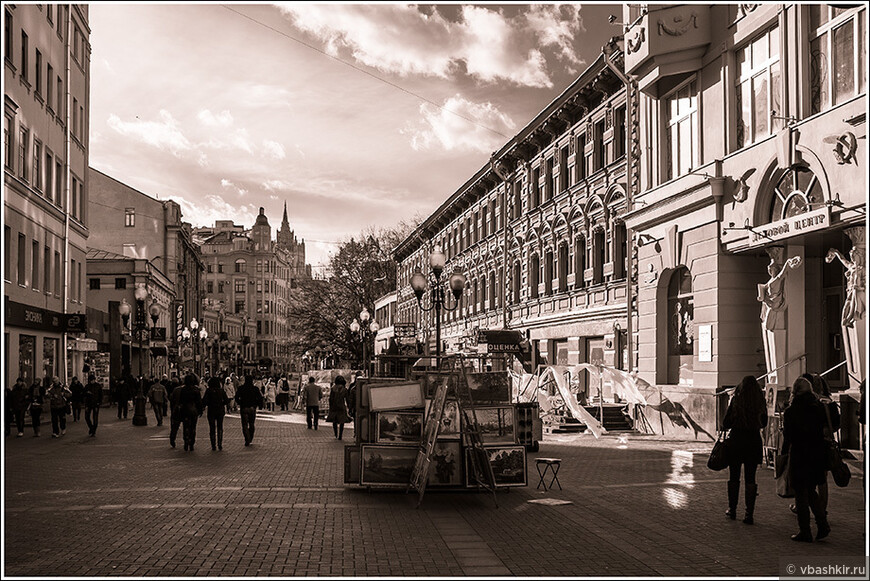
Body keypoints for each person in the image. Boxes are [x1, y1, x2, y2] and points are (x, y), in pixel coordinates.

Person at [783, 376, 829, 542]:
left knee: (801, 494)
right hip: (816, 453)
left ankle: (805, 530)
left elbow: (788, 437)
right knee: (810, 490)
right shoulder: (818, 407)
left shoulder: (791, 411)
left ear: (794, 391)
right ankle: (822, 524)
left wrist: (782, 454)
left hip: (800, 455)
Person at [722, 375, 768, 524]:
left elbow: (726, 422)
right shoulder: (760, 402)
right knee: (750, 478)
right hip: (753, 442)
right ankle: (749, 514)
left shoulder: (736, 401)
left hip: (736, 441)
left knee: (734, 476)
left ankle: (732, 509)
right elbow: (764, 423)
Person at [235, 375, 264, 446]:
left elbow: (236, 397)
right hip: (252, 408)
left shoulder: (241, 388)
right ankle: (250, 438)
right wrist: (257, 405)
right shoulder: (255, 389)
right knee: (251, 424)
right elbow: (260, 398)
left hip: (244, 407)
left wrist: (240, 403)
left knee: (244, 425)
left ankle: (247, 439)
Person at [202, 376, 230, 451]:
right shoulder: (221, 391)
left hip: (211, 410)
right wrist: (221, 403)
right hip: (220, 410)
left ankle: (213, 445)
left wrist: (206, 405)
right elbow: (227, 400)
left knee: (212, 427)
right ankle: (220, 444)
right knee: (220, 426)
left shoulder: (208, 390)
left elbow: (204, 401)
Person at [326, 375, 351, 440]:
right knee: (342, 421)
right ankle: (340, 435)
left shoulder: (333, 388)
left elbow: (330, 399)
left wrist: (330, 406)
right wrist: (349, 406)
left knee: (334, 421)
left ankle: (335, 433)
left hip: (334, 407)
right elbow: (347, 399)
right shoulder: (344, 389)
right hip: (341, 406)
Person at [168, 380, 184, 449]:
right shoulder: (190, 389)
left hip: (176, 410)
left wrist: (173, 408)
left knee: (175, 426)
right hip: (185, 410)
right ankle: (187, 440)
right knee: (187, 425)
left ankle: (172, 439)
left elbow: (172, 399)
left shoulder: (176, 390)